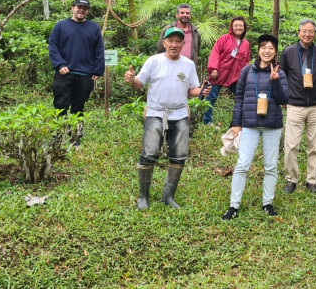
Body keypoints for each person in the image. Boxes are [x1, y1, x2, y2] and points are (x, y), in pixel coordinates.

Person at [124, 27, 209, 210]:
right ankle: (143, 197)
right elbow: (139, 84)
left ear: (183, 44)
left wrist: (201, 90)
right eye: (170, 41)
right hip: (155, 112)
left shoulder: (188, 65)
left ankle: (168, 196)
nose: (174, 44)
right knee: (149, 154)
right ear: (164, 43)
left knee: (179, 156)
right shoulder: (154, 61)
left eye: (178, 41)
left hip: (179, 114)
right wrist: (132, 80)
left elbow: (192, 91)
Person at [222, 34, 289, 220]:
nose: (267, 51)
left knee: (270, 166)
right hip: (250, 125)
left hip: (272, 125)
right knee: (242, 164)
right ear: (258, 51)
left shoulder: (280, 73)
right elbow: (239, 99)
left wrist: (275, 81)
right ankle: (233, 206)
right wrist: (236, 124)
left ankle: (267, 202)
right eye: (263, 47)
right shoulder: (246, 72)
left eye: (271, 48)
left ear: (275, 53)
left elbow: (284, 100)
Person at [280, 18, 316, 194]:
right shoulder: (288, 52)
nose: (307, 34)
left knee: (314, 146)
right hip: (295, 104)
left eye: (311, 31)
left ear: (315, 34)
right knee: (291, 146)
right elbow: (282, 77)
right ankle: (291, 179)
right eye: (304, 31)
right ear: (298, 33)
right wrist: (284, 98)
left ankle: (312, 180)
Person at [48, 0, 105, 146]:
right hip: (64, 74)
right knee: (60, 106)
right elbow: (53, 47)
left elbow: (99, 50)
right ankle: (57, 137)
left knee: (78, 107)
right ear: (73, 8)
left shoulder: (93, 28)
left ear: (88, 11)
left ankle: (75, 137)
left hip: (85, 75)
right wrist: (60, 65)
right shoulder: (61, 26)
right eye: (79, 7)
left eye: (85, 8)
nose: (81, 10)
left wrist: (98, 70)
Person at [203, 17, 251, 127]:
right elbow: (215, 53)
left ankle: (240, 122)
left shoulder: (246, 43)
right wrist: (213, 68)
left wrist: (245, 75)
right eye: (236, 25)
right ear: (232, 27)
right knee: (210, 97)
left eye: (241, 25)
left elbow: (246, 60)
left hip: (235, 76)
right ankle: (206, 122)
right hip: (219, 73)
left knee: (242, 97)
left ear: (244, 28)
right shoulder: (224, 38)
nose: (238, 27)